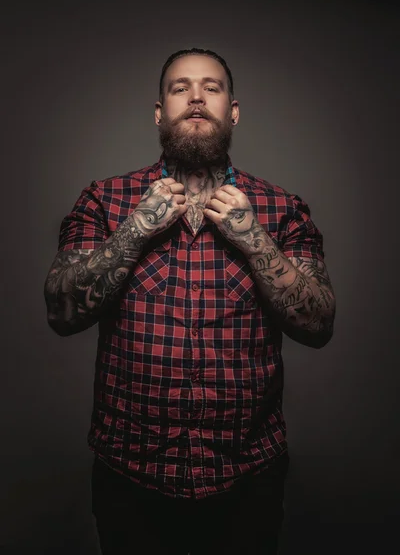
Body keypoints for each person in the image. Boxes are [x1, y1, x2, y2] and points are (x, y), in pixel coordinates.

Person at [44, 47, 336, 555]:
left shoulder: (282, 208)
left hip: (248, 479)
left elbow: (319, 324)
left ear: (234, 111)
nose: (196, 98)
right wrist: (135, 230)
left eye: (212, 88)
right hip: (130, 478)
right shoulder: (105, 200)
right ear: (160, 111)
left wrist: (254, 239)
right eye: (180, 88)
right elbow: (61, 311)